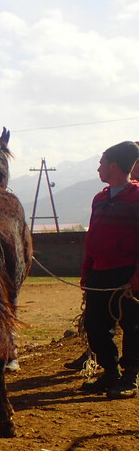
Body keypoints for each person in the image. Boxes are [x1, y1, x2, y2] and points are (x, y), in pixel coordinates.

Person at [80, 140, 139, 399]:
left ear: (114, 166)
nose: (98, 169)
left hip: (127, 274)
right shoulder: (99, 198)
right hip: (98, 273)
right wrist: (86, 274)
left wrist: (137, 277)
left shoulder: (137, 197)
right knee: (95, 325)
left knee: (133, 326)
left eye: (101, 163)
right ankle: (111, 373)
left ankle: (130, 378)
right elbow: (92, 238)